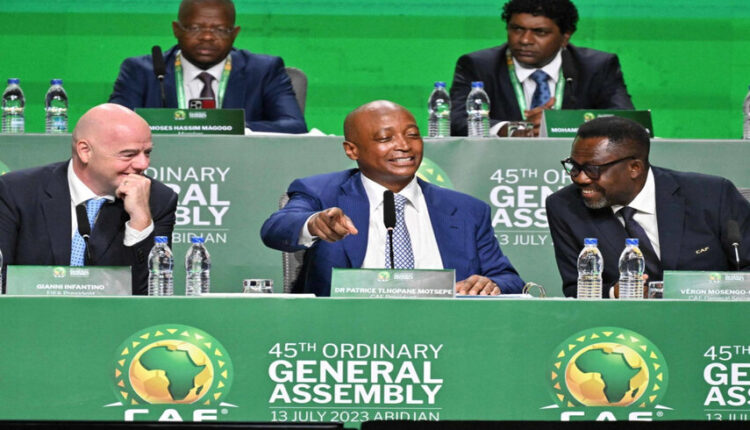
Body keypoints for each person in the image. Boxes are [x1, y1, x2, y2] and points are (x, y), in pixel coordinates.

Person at [261, 100, 524, 296]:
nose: (404, 146)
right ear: (352, 150)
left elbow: (509, 280)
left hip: (446, 332)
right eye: (385, 138)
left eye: (412, 135)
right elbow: (275, 229)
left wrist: (491, 284)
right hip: (347, 334)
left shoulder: (467, 210)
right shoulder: (321, 192)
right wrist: (313, 224)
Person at [546, 116, 750, 298]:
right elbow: (575, 288)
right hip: (625, 324)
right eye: (574, 167)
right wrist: (614, 293)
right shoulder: (565, 207)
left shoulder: (712, 195)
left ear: (634, 168)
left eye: (592, 169)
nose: (580, 179)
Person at [0, 104, 178, 295]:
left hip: (113, 314)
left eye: (147, 153)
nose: (143, 164)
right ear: (85, 151)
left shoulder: (157, 199)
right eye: (129, 154)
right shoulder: (16, 192)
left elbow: (150, 296)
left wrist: (140, 221)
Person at [109, 0, 307, 134]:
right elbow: (113, 126)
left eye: (220, 29)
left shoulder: (263, 71)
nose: (207, 37)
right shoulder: (142, 71)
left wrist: (225, 126)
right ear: (176, 30)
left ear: (234, 33)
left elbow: (294, 126)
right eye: (195, 28)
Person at [449, 0, 634, 137]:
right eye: (517, 29)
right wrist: (509, 129)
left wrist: (559, 125)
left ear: (565, 37)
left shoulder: (597, 66)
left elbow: (627, 121)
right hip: (499, 166)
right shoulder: (478, 65)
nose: (525, 40)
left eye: (540, 32)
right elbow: (455, 120)